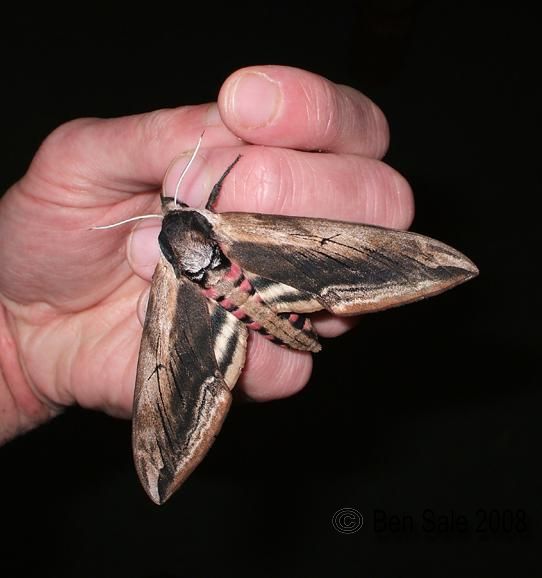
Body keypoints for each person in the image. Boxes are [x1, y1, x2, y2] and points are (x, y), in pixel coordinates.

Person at [0, 65, 414, 444]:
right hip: (270, 300)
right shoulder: (210, 218)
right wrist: (21, 362)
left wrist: (22, 355)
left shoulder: (169, 270)